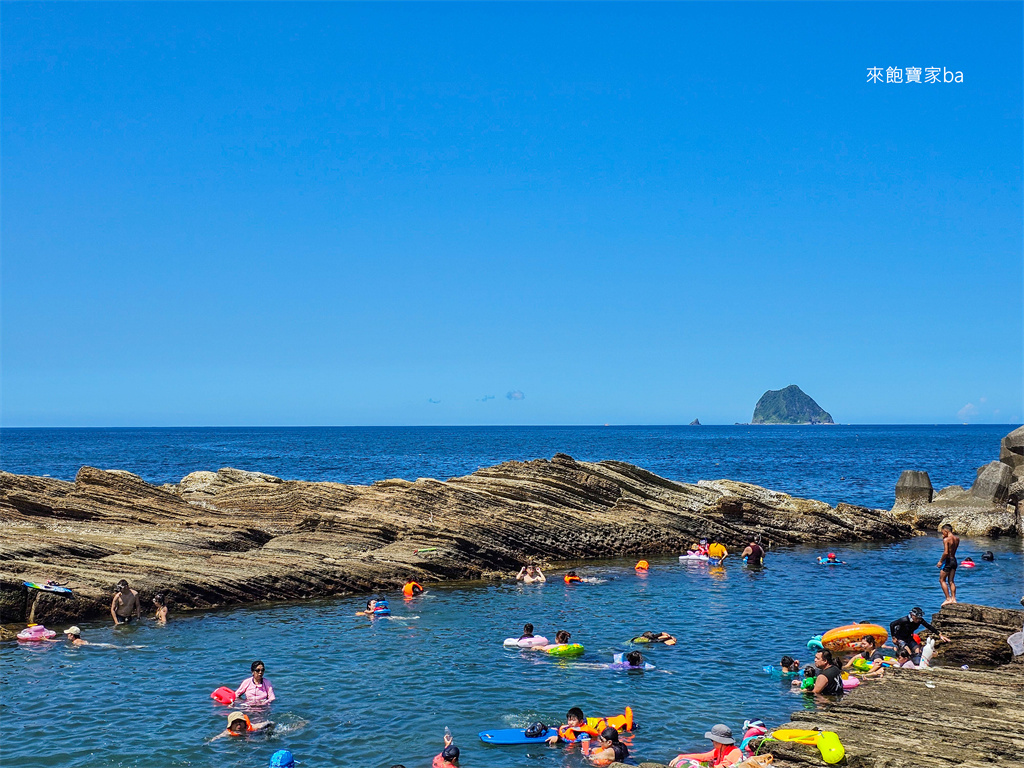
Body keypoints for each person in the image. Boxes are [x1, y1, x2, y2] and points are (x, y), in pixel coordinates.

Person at [669, 724, 743, 767]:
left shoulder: (734, 752)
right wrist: (681, 757)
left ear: (719, 741)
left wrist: (713, 766)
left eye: (712, 740)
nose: (712, 742)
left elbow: (723, 766)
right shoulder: (720, 750)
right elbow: (703, 757)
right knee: (686, 761)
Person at [937, 524, 960, 605]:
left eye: (943, 532)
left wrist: (940, 561)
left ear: (946, 531)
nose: (942, 534)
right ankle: (954, 599)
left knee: (942, 580)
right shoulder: (957, 539)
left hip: (948, 561)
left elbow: (946, 552)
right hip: (954, 560)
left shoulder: (946, 540)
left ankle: (948, 598)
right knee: (951, 581)